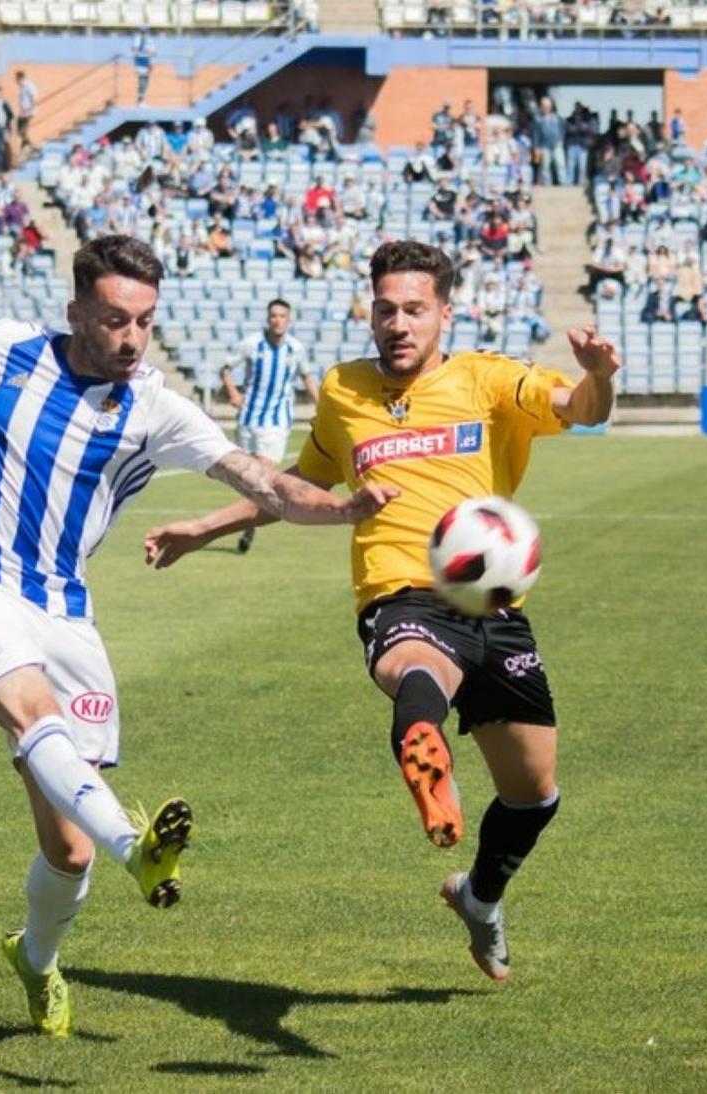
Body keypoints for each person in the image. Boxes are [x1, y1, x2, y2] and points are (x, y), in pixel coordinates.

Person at [0, 235, 395, 1037]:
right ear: (76, 309)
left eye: (146, 322)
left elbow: (262, 478)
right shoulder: (8, 348)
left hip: (63, 613)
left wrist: (344, 509)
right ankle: (138, 850)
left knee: (66, 853)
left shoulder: (155, 408)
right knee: (34, 718)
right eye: (115, 320)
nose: (132, 338)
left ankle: (36, 958)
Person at [144, 239, 619, 984]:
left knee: (533, 794)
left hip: (493, 605)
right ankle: (425, 748)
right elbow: (297, 484)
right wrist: (205, 527)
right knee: (415, 665)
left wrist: (599, 377)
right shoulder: (343, 390)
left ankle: (479, 898)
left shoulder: (488, 379)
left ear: (445, 314)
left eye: (414, 310)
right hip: (400, 589)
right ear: (370, 311)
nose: (398, 323)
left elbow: (579, 407)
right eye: (386, 309)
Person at [220, 300, 319, 553]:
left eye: (282, 315)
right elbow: (226, 368)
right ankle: (249, 519)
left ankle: (249, 527)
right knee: (248, 478)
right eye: (273, 315)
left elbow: (307, 377)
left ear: (289, 319)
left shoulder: (295, 349)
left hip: (276, 423)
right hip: (248, 420)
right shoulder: (252, 344)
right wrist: (233, 393)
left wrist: (323, 406)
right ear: (268, 319)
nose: (277, 320)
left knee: (264, 476)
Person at [15, 70, 38, 154]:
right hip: (23, 113)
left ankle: (31, 146)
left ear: (21, 78)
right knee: (19, 130)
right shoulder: (22, 87)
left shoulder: (29, 85)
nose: (16, 81)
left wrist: (30, 108)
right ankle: (25, 147)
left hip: (28, 112)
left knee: (22, 131)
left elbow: (34, 98)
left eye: (17, 79)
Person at [132, 27, 154, 105]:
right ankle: (140, 100)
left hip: (147, 62)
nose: (144, 34)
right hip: (140, 63)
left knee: (146, 82)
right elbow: (135, 50)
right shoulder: (137, 40)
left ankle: (142, 98)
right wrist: (137, 52)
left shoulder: (150, 40)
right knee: (141, 82)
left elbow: (152, 51)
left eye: (146, 32)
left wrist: (150, 53)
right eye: (143, 32)